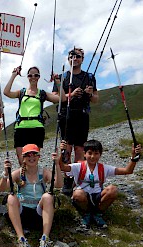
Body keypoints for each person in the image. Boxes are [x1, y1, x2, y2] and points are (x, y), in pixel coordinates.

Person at [59, 139, 141, 229]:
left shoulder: (104, 168)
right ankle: (86, 214)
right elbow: (62, 167)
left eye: (96, 153)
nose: (93, 156)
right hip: (83, 196)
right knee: (78, 194)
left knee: (112, 189)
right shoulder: (78, 166)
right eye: (89, 153)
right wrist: (62, 152)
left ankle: (97, 214)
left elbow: (127, 171)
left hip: (98, 196)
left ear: (100, 154)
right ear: (84, 154)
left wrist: (133, 158)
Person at [0, 144, 62, 247]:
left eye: (34, 154)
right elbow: (3, 188)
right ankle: (21, 239)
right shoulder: (18, 173)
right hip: (22, 214)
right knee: (11, 197)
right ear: (23, 158)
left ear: (39, 157)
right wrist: (5, 173)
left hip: (39, 214)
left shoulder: (44, 172)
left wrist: (57, 164)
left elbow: (58, 184)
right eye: (28, 155)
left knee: (48, 196)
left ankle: (45, 239)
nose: (31, 157)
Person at [52, 47, 99, 196]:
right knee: (66, 148)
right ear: (68, 59)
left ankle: (76, 179)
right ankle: (67, 179)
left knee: (80, 149)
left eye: (78, 56)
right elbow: (55, 97)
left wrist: (90, 94)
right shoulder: (63, 77)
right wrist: (70, 94)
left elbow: (96, 99)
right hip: (66, 115)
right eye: (72, 56)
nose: (75, 58)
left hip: (82, 116)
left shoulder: (90, 77)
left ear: (82, 59)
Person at [4, 66, 64, 166]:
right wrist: (13, 75)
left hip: (37, 129)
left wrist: (57, 81)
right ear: (27, 77)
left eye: (36, 75)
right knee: (21, 159)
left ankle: (33, 180)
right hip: (21, 128)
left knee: (33, 159)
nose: (33, 77)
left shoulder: (42, 93)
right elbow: (6, 92)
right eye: (30, 75)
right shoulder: (21, 92)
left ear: (39, 77)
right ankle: (23, 180)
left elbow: (61, 98)